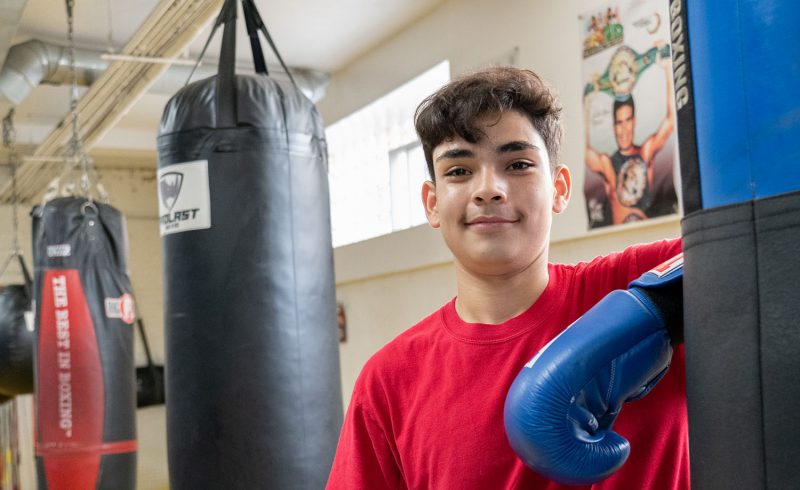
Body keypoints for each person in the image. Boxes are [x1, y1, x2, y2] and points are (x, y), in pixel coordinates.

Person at [326, 67, 687, 489]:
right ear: (432, 203)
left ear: (559, 188)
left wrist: (661, 310)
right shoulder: (389, 381)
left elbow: (764, 247)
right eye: (459, 171)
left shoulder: (635, 284)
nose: (488, 189)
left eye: (517, 164)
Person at [584, 47, 675, 224]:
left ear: (634, 122)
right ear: (613, 127)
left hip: (647, 237)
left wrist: (667, 69)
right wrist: (587, 104)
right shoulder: (607, 164)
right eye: (619, 123)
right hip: (621, 241)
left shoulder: (646, 152)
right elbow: (586, 153)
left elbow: (670, 121)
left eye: (627, 121)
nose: (624, 129)